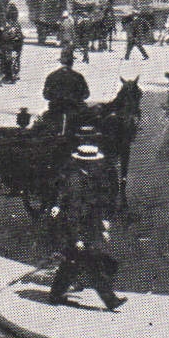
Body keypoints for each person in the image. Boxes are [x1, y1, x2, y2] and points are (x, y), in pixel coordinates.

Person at [47, 142, 125, 311]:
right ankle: (111, 300)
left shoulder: (88, 176)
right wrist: (77, 239)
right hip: (76, 232)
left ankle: (55, 295)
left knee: (71, 265)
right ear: (85, 163)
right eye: (93, 162)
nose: (97, 164)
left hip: (85, 230)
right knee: (92, 265)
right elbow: (73, 214)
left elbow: (95, 206)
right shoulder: (75, 182)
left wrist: (102, 226)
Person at [39, 52, 89, 136]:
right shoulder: (78, 76)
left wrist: (57, 97)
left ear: (61, 62)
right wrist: (75, 97)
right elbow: (86, 94)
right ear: (72, 62)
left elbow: (46, 95)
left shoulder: (52, 76)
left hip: (56, 109)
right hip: (73, 110)